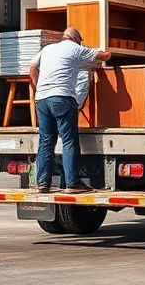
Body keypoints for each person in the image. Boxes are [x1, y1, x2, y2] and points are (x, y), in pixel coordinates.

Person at [29, 27, 111, 193]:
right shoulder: (75, 48)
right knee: (69, 140)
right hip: (62, 98)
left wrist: (39, 87)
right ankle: (72, 183)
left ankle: (43, 183)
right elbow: (104, 57)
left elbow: (31, 68)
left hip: (42, 99)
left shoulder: (47, 49)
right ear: (76, 39)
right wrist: (104, 50)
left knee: (46, 141)